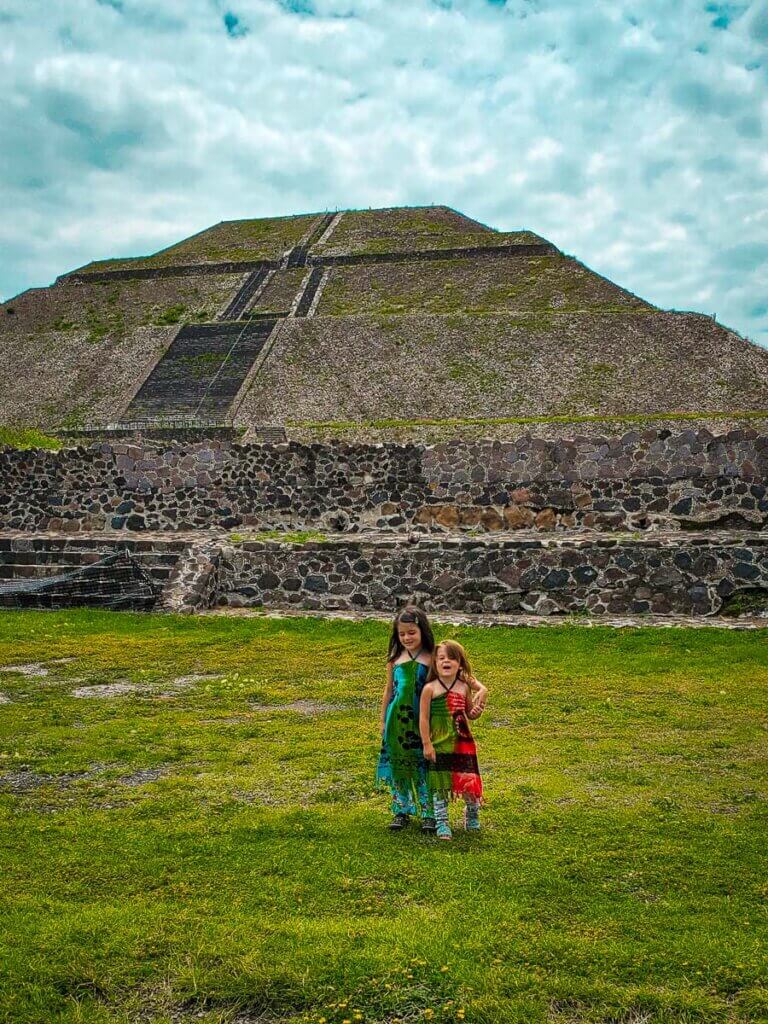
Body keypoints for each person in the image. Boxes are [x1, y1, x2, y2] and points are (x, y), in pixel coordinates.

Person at [376, 607, 487, 833]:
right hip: (398, 720)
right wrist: (382, 720)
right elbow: (388, 690)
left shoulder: (432, 658)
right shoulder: (394, 660)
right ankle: (401, 809)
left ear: (422, 631)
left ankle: (429, 812)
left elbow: (461, 675)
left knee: (425, 763)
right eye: (402, 634)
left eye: (412, 632)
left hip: (425, 720)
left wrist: (482, 689)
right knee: (400, 762)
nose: (407, 638)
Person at [419, 639, 484, 841]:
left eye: (451, 658)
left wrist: (476, 712)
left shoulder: (464, 687)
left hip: (462, 742)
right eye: (441, 658)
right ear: (435, 664)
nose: (446, 661)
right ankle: (442, 822)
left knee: (468, 779)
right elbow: (423, 718)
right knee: (440, 784)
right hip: (439, 742)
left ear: (460, 664)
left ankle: (472, 815)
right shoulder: (430, 688)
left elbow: (468, 713)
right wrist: (427, 743)